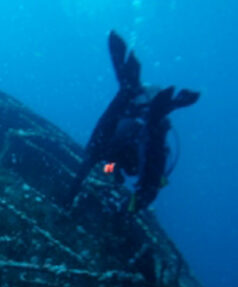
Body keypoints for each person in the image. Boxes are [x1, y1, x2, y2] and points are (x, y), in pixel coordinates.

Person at [68, 30, 199, 213]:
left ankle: (133, 95)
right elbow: (116, 163)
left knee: (96, 150)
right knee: (100, 148)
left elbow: (111, 160)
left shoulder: (117, 157)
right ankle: (135, 96)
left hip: (130, 135)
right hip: (135, 137)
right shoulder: (125, 160)